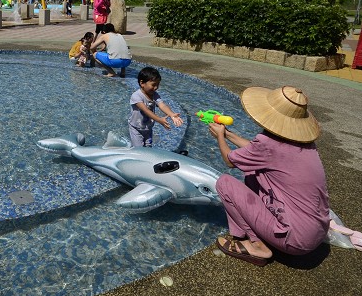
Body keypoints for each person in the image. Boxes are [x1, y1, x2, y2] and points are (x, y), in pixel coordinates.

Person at [208, 86, 330, 267]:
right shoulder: (305, 144)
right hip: (316, 233)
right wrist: (228, 134)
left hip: (295, 240)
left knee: (224, 183)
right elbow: (256, 150)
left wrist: (219, 137)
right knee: (252, 173)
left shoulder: (268, 143)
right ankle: (264, 232)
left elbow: (230, 161)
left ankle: (257, 245)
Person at [129, 67, 184, 147]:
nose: (156, 87)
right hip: (136, 128)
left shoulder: (155, 95)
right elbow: (146, 111)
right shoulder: (136, 96)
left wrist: (172, 114)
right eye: (153, 85)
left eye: (157, 85)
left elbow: (162, 105)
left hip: (148, 128)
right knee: (139, 150)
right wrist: (159, 120)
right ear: (142, 83)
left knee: (148, 147)